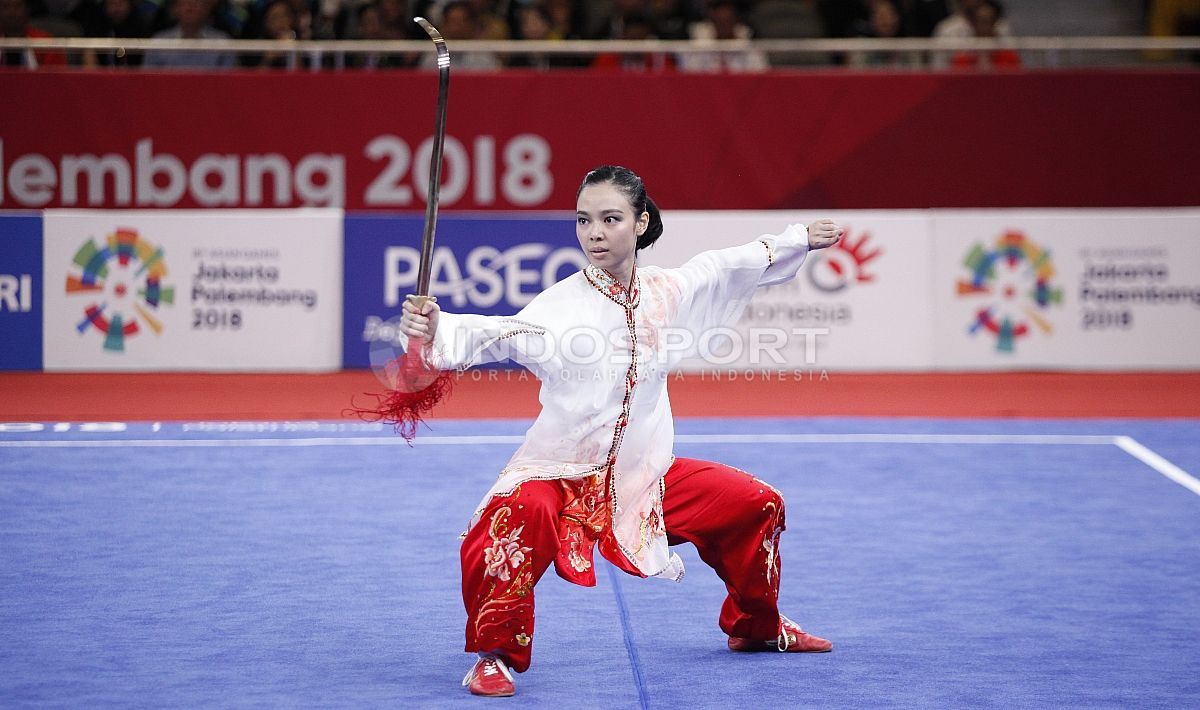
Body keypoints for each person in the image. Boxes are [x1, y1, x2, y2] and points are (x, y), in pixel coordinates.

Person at [393, 165, 845, 697]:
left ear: (640, 222)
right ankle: (495, 656)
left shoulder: (666, 290)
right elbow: (495, 333)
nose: (595, 233)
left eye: (610, 219)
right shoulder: (562, 307)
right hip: (562, 475)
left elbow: (727, 264)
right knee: (513, 515)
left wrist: (798, 240)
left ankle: (758, 629)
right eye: (585, 221)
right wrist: (435, 329)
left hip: (642, 477)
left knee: (756, 502)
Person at [142, 0, 236, 69]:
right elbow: (148, 81)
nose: (190, 7)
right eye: (184, 2)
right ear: (175, 8)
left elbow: (228, 84)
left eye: (197, 2)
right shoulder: (158, 42)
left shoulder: (223, 42)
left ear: (207, 8)